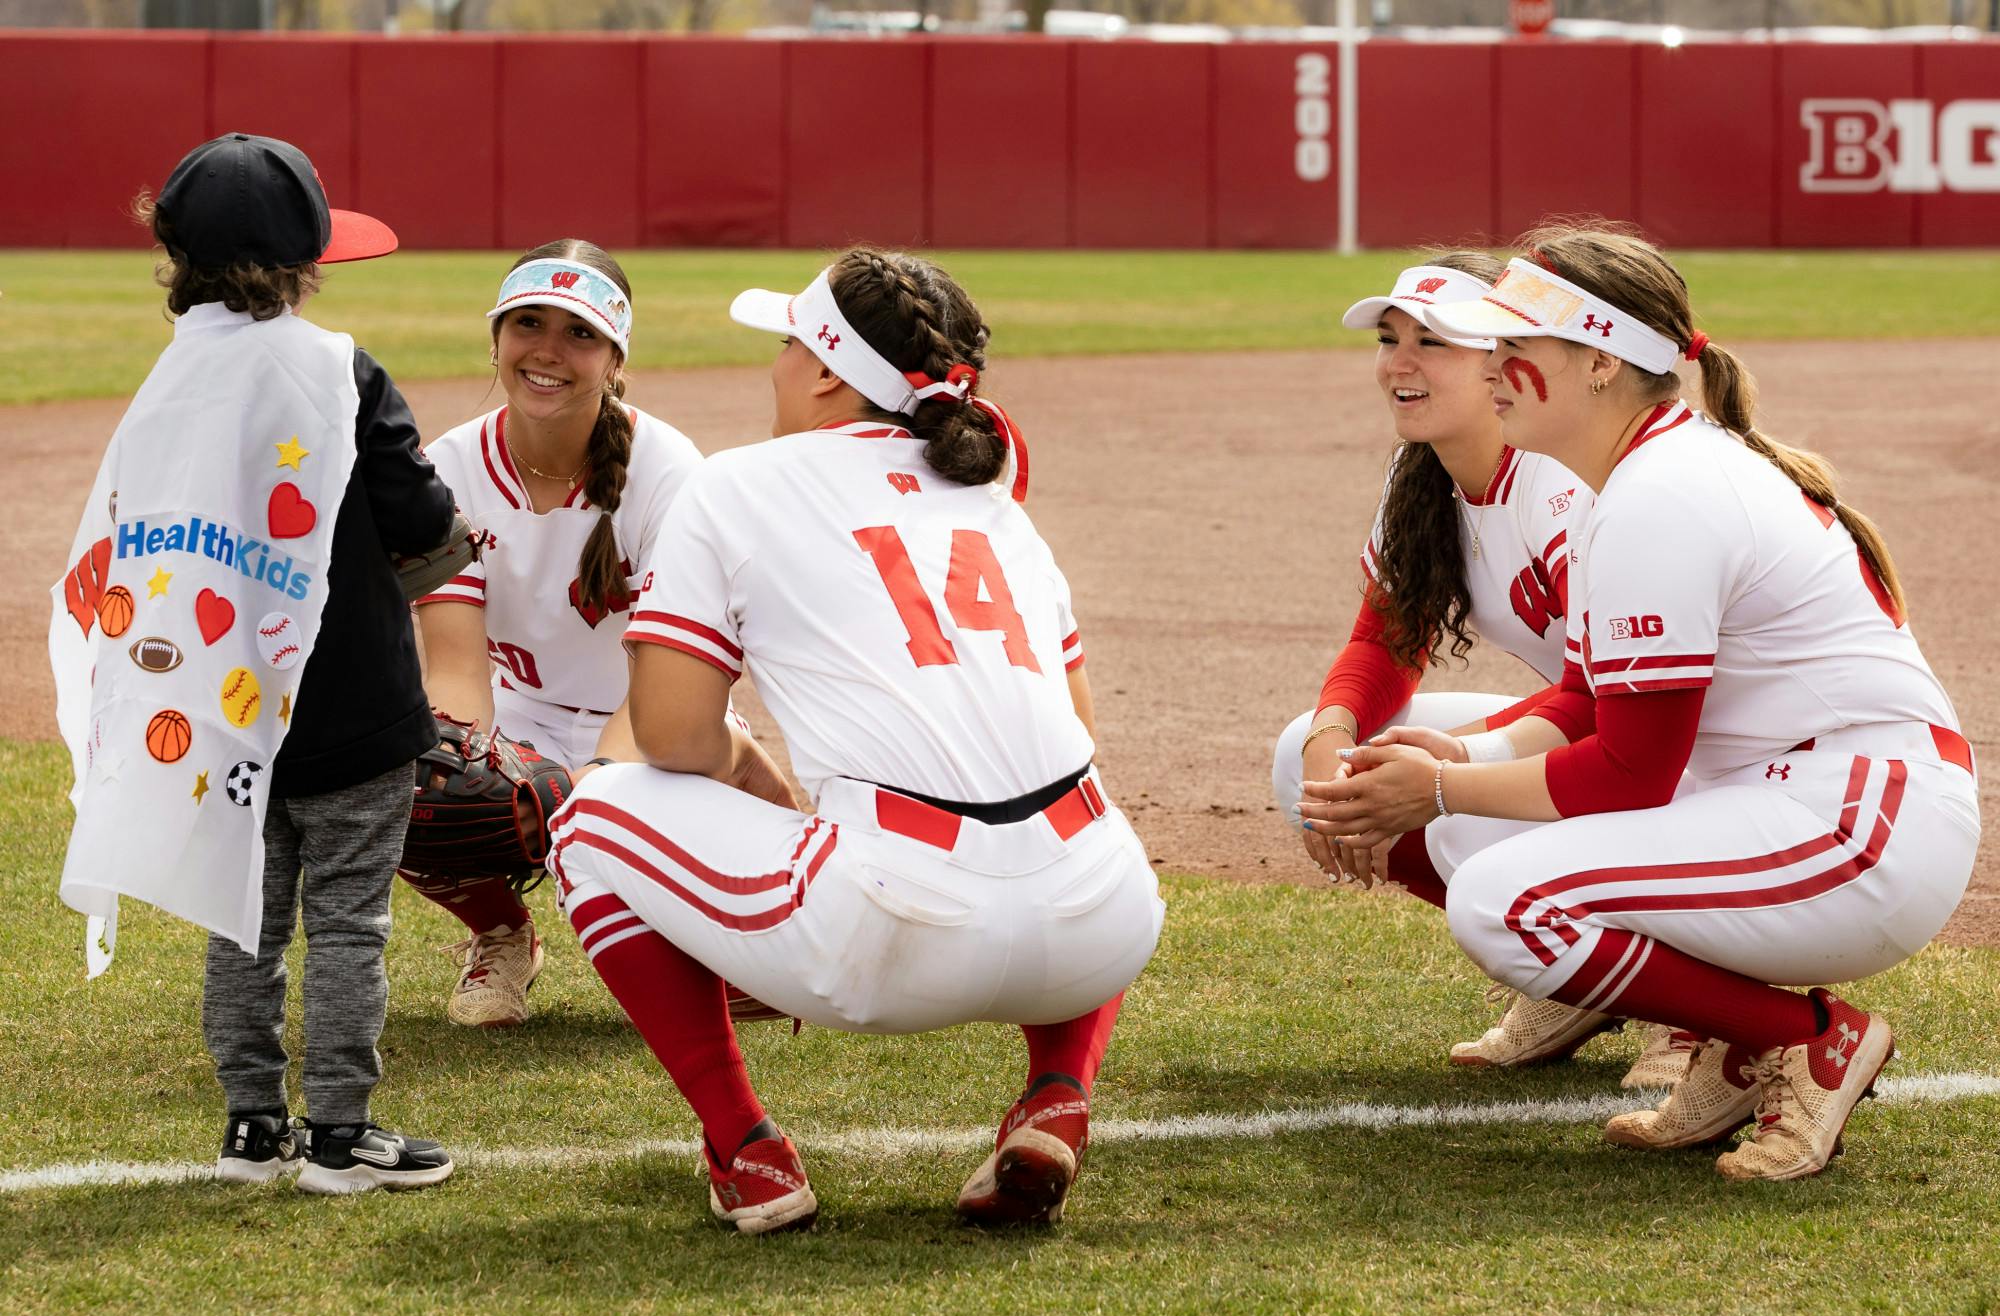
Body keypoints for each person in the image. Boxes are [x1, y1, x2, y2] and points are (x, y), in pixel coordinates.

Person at [1301, 224, 1979, 1180]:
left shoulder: (1660, 492)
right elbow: (1619, 743)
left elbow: (1630, 770)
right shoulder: (1647, 470)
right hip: (1794, 790)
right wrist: (1447, 778)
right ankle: (1730, 1041)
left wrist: (1441, 786)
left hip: (1860, 819)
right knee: (1482, 854)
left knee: (1508, 896)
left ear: (1598, 365)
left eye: (1514, 347)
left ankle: (1806, 1038)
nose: (1489, 369)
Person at [545, 247, 1165, 1232]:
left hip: (891, 931)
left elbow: (668, 735)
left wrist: (752, 777)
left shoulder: (735, 484)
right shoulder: (994, 498)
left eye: (790, 342)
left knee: (589, 819)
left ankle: (746, 1149)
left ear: (828, 371)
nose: (777, 364)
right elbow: (1078, 729)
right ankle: (1056, 1086)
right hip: (1107, 922)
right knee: (1064, 795)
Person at [52, 133, 456, 1193]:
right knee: (349, 928)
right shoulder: (340, 369)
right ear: (304, 257)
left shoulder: (166, 384)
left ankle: (249, 1126)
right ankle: (339, 1135)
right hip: (356, 703)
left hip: (223, 709)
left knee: (241, 919)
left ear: (173, 255)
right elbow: (420, 510)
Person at [1270, 256, 1646, 1076]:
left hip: (1684, 743)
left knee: (1449, 801)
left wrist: (1448, 759)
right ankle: (1581, 977)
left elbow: (1606, 703)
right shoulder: (1426, 475)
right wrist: (1334, 734)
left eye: (1432, 341)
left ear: (1502, 364)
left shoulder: (1557, 481)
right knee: (1310, 759)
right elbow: (1385, 640)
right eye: (1390, 337)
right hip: (1595, 718)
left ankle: (1685, 1012)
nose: (1399, 363)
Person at [410, 239, 786, 1028]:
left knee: (721, 959)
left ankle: (730, 916)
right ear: (496, 339)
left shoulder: (670, 472)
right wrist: (476, 771)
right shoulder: (444, 470)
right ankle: (502, 934)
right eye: (528, 324)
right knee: (409, 776)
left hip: (660, 719)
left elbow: (665, 682)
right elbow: (454, 672)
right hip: (522, 719)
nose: (548, 352)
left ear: (616, 357)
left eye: (579, 333)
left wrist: (587, 795)